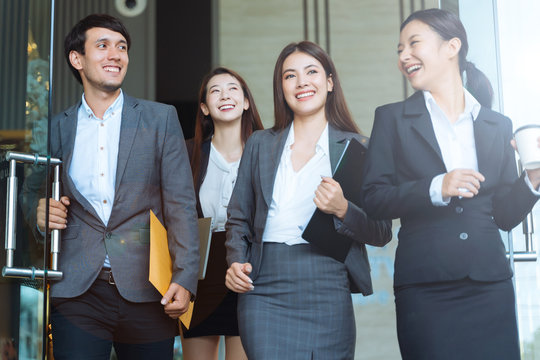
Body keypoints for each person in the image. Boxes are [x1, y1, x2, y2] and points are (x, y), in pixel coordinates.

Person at [361, 8, 540, 360]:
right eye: (399, 49)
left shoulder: (497, 125)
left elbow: (504, 215)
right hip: (426, 287)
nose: (404, 56)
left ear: (451, 47)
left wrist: (531, 180)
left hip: (490, 284)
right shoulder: (392, 118)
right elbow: (373, 198)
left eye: (413, 44)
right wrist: (436, 186)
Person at [22, 14, 200, 359]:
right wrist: (38, 213)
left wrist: (185, 277)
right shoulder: (56, 128)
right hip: (77, 290)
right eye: (102, 46)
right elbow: (31, 192)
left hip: (149, 288)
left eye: (122, 47)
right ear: (78, 59)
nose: (115, 54)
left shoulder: (159, 118)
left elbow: (180, 204)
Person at [224, 40, 392, 359]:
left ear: (329, 83)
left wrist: (343, 208)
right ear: (282, 87)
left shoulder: (357, 149)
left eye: (311, 72)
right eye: (290, 76)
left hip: (328, 281)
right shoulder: (260, 144)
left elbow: (382, 232)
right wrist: (235, 261)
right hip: (264, 285)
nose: (301, 82)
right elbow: (238, 217)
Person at [181, 67, 263, 360]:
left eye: (232, 89)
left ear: (245, 102)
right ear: (204, 107)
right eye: (215, 90)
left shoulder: (267, 151)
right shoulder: (188, 153)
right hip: (201, 272)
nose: (224, 95)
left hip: (250, 269)